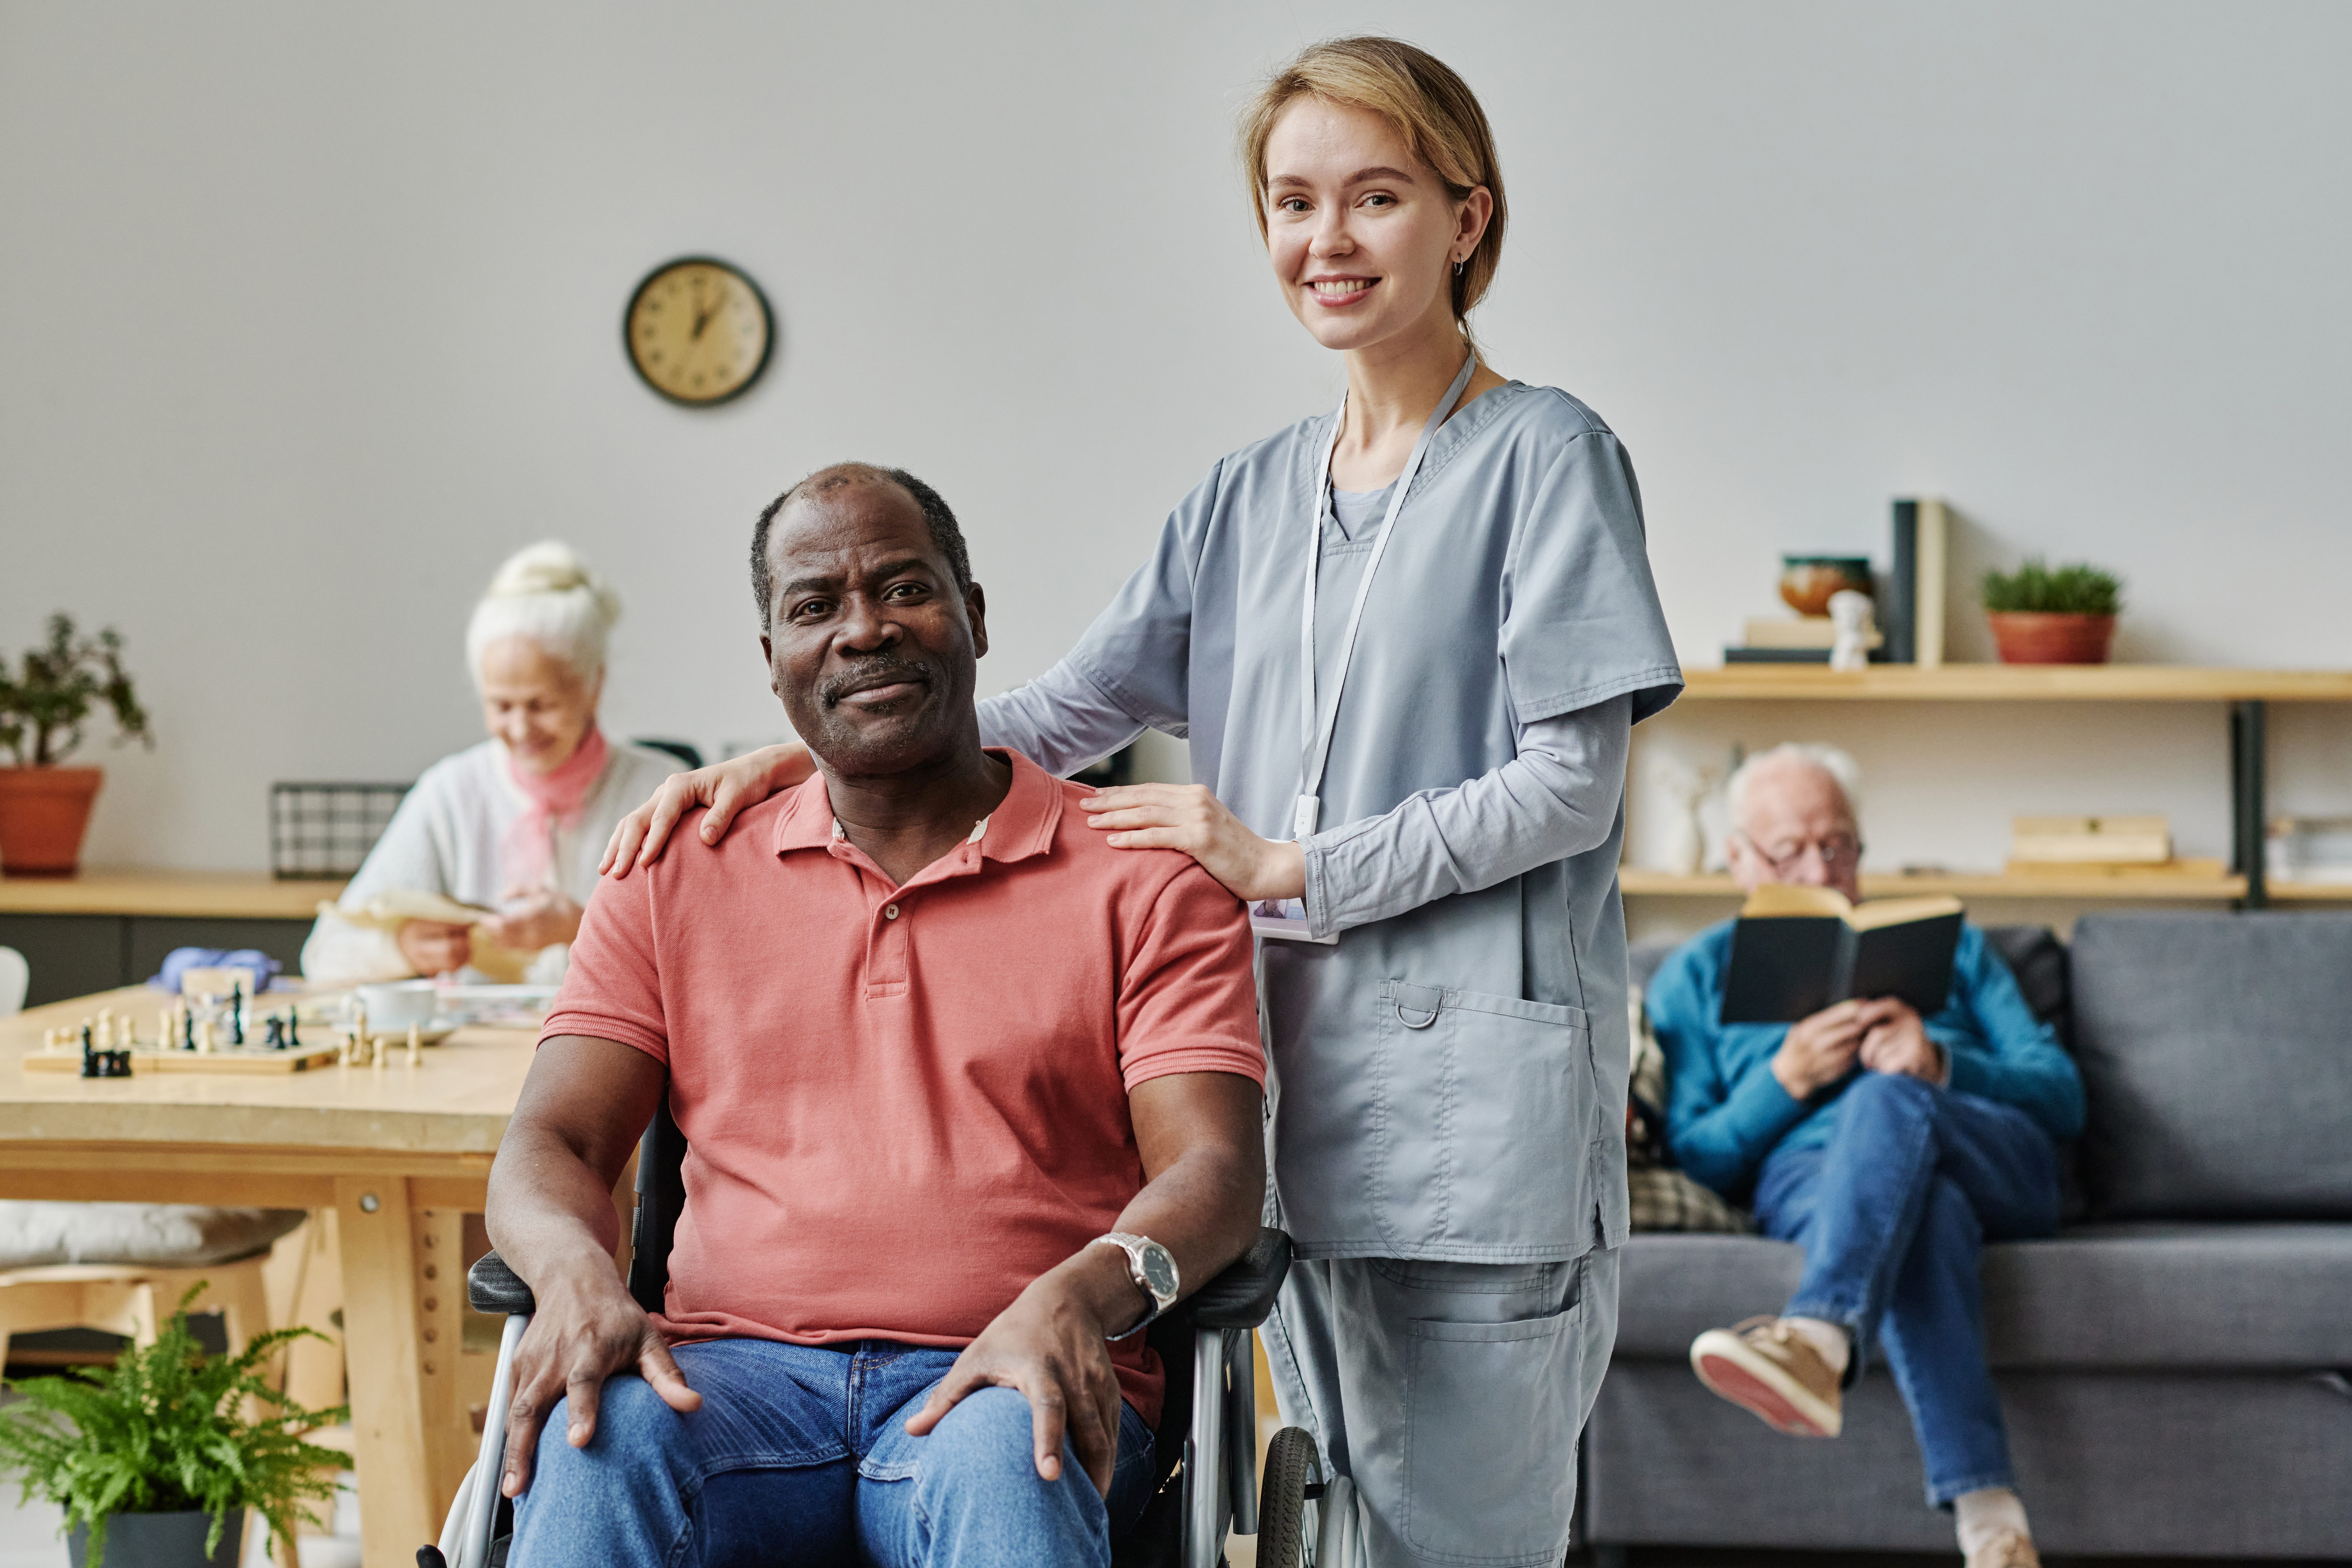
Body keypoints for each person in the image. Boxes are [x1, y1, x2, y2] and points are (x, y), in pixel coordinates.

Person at [599, 38, 1680, 1566]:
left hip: (1471, 1131)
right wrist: (798, 760)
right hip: (1287, 1113)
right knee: (1335, 1533)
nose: (1330, 239)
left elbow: (1573, 785)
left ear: (1467, 219)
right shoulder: (1243, 497)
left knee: (1455, 1546)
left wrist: (1283, 864)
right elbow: (1042, 714)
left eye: (1376, 197)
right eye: (1294, 202)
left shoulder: (1549, 457)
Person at [489, 465, 1268, 1565]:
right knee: (594, 1436)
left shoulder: (1144, 875)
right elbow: (552, 1140)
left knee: (1017, 1454)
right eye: (815, 607)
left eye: (904, 589)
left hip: (1008, 1371)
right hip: (730, 1382)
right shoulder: (673, 871)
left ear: (976, 616)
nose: (864, 631)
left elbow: (1217, 1169)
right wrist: (575, 1274)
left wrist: (1081, 1298)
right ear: (774, 664)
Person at [1644, 744, 2085, 1568]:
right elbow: (1697, 1158)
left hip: (1990, 1150)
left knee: (1885, 1098)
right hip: (1817, 1179)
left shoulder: (1953, 948)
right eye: (1789, 850)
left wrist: (1942, 1064)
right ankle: (1992, 1524)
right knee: (1925, 1212)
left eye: (1838, 844)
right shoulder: (1694, 975)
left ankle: (1814, 1336)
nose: (1820, 868)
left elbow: (2061, 1094)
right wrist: (1782, 1082)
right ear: (1738, 857)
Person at [299, 543, 679, 985]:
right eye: (501, 705)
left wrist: (583, 927)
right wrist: (403, 948)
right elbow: (324, 953)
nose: (520, 729)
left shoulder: (659, 792)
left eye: (541, 705)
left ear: (593, 686)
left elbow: (707, 958)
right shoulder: (451, 793)